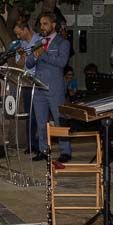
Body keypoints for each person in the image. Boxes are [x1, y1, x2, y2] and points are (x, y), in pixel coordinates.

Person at [27, 13, 72, 164]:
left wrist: (43, 54)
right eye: (41, 24)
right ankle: (43, 150)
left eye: (45, 23)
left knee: (59, 120)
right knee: (41, 122)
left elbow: (62, 63)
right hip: (39, 87)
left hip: (54, 88)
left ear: (53, 25)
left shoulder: (62, 43)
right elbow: (28, 64)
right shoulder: (39, 42)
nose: (42, 27)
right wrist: (34, 56)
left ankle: (65, 151)